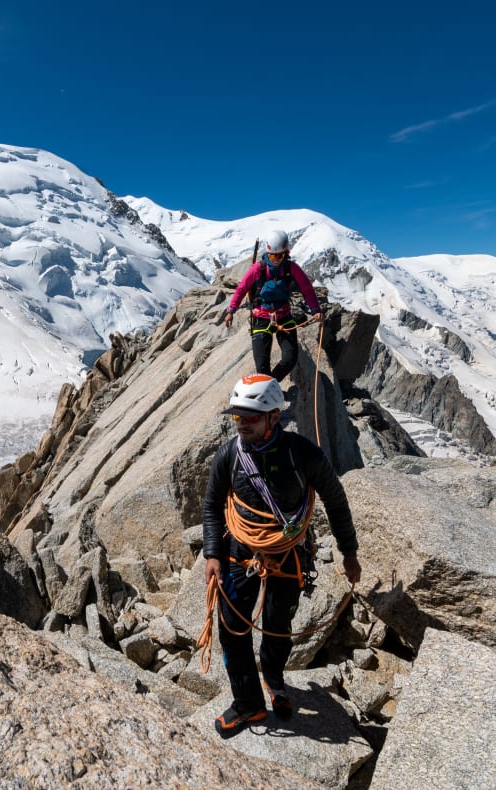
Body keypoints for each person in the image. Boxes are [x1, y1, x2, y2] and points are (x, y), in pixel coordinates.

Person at [202, 373, 361, 738]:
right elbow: (212, 506)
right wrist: (213, 554)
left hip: (288, 554)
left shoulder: (304, 455)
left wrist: (349, 553)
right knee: (233, 630)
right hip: (239, 555)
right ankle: (248, 704)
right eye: (238, 417)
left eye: (251, 417)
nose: (242, 424)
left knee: (278, 627)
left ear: (274, 416)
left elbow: (336, 502)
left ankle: (274, 681)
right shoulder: (229, 456)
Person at [224, 229, 323, 382]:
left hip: (284, 316)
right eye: (272, 256)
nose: (276, 259)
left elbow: (307, 289)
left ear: (286, 252)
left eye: (280, 256)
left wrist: (316, 310)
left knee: (290, 359)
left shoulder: (291, 268)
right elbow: (242, 288)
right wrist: (231, 310)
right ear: (268, 253)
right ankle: (268, 387)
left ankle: (271, 384)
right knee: (262, 367)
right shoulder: (259, 268)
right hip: (261, 317)